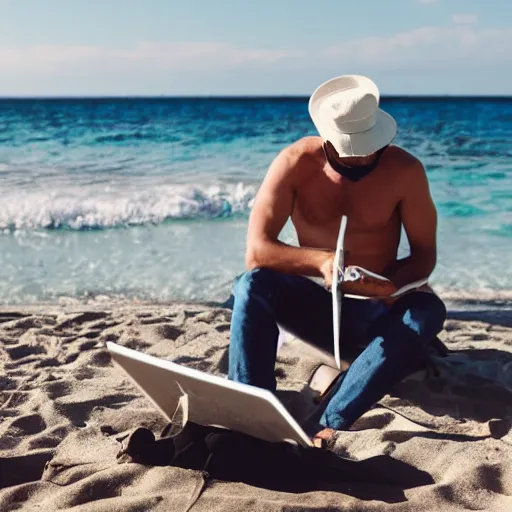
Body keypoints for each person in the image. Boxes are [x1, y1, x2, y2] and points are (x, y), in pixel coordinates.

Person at [228, 75, 447, 445]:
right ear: (328, 135)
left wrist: (392, 284)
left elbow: (425, 254)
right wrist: (323, 263)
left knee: (427, 311)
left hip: (378, 309)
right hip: (318, 306)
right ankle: (252, 407)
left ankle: (328, 422)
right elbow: (257, 252)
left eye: (369, 146)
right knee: (251, 285)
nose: (362, 155)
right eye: (351, 147)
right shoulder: (295, 163)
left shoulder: (405, 172)